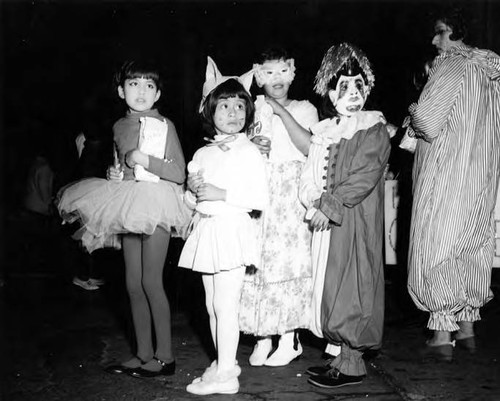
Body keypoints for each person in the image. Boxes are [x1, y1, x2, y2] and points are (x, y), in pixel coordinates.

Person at [58, 60, 191, 377]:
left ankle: (166, 357)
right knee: (132, 283)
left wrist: (145, 159)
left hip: (157, 204)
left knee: (150, 280)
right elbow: (120, 166)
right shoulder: (118, 126)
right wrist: (114, 172)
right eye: (134, 84)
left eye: (149, 85)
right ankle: (143, 354)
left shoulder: (165, 125)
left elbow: (177, 172)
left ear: (158, 93)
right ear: (121, 90)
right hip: (127, 203)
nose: (141, 91)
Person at [406, 8, 500, 361]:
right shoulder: (489, 71)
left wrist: (413, 108)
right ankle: (468, 328)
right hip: (480, 175)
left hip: (447, 173)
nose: (435, 40)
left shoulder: (450, 64)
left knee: (436, 242)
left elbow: (428, 123)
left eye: (440, 32)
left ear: (457, 33)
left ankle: (442, 334)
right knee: (472, 244)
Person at [300, 43, 390, 388]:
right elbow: (310, 175)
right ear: (329, 92)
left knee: (355, 283)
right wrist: (315, 200)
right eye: (344, 86)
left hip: (355, 221)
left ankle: (353, 363)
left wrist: (331, 205)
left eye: (359, 86)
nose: (353, 94)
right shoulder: (325, 132)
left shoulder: (373, 128)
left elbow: (364, 175)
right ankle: (340, 355)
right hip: (328, 223)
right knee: (331, 284)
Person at [179, 57, 268, 395]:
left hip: (232, 230)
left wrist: (220, 192)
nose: (233, 112)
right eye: (225, 106)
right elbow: (194, 202)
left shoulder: (248, 151)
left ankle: (228, 375)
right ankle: (223, 361)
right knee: (210, 304)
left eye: (239, 105)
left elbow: (257, 198)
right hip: (209, 230)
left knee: (225, 305)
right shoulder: (204, 153)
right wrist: (192, 191)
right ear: (209, 111)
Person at [239, 47, 318, 367]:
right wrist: (249, 144)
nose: (276, 79)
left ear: (292, 72)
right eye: (269, 73)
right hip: (260, 191)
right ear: (259, 76)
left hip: (291, 192)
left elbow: (308, 146)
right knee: (257, 262)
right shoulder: (251, 108)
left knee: (290, 263)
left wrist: (280, 112)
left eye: (282, 72)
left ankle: (289, 337)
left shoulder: (305, 108)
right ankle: (262, 335)